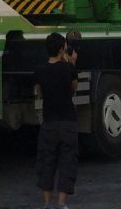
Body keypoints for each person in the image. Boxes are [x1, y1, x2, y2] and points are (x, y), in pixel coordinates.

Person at [34, 32, 79, 208]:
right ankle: (61, 203)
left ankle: (46, 203)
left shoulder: (39, 70)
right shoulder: (69, 69)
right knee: (67, 161)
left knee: (46, 161)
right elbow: (73, 89)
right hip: (68, 121)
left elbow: (39, 92)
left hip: (49, 122)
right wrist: (72, 63)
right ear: (62, 49)